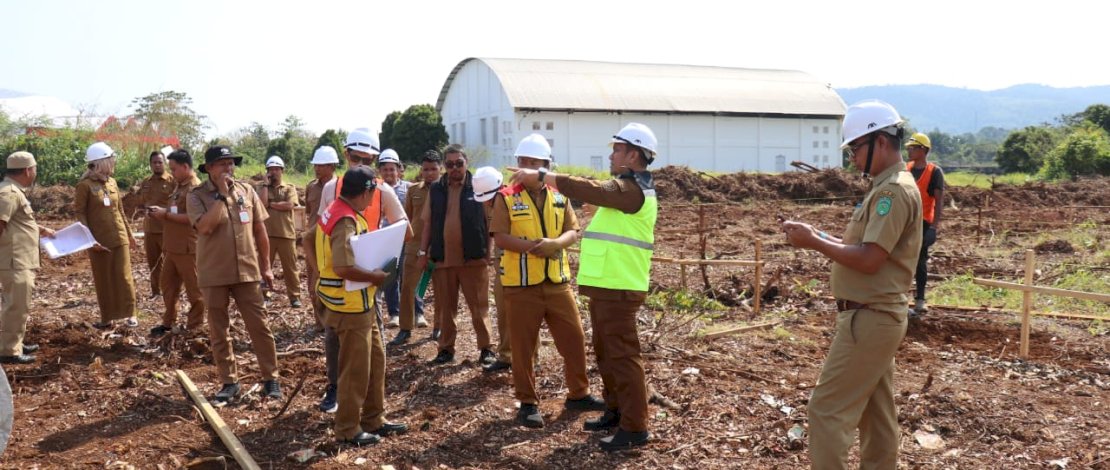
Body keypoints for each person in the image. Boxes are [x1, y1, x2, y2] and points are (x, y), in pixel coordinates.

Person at [780, 100, 922, 469]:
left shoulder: (892, 192)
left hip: (869, 318)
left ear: (881, 141)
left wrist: (813, 242)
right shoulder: (885, 186)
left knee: (826, 411)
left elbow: (870, 260)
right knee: (877, 414)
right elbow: (865, 247)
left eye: (856, 148)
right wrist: (819, 234)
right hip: (874, 317)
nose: (852, 158)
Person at [508, 123, 659, 450]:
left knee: (622, 355)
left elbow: (592, 190)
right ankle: (616, 410)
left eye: (617, 149)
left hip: (620, 286)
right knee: (607, 353)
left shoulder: (633, 189)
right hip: (608, 285)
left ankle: (634, 427)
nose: (611, 154)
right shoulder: (628, 189)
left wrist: (544, 177)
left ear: (633, 154)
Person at [492, 134, 605, 427]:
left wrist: (556, 244)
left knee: (574, 338)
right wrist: (533, 246)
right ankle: (527, 402)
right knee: (523, 346)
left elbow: (573, 230)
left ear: (545, 165)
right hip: (521, 286)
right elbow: (501, 237)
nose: (525, 167)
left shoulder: (559, 195)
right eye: (522, 162)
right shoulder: (505, 196)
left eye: (532, 162)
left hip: (557, 282)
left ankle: (579, 393)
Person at [312, 131, 410, 414]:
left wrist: (380, 245)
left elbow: (405, 229)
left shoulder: (383, 190)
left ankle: (368, 407)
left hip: (367, 280)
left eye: (367, 160)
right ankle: (337, 391)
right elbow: (318, 231)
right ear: (346, 155)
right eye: (356, 158)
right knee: (336, 340)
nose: (360, 165)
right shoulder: (333, 189)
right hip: (341, 279)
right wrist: (318, 271)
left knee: (371, 346)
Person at [187, 145, 282, 404]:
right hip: (214, 273)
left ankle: (270, 379)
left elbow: (260, 231)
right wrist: (220, 196)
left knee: (259, 326)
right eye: (222, 164)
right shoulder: (196, 196)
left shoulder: (247, 191)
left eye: (231, 163)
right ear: (208, 169)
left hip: (247, 271)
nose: (229, 168)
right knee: (219, 330)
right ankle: (230, 382)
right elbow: (205, 227)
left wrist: (266, 267)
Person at [416, 145, 495, 366]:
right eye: (449, 164)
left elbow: (491, 222)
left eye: (458, 163)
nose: (454, 168)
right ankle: (445, 349)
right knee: (445, 308)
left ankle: (486, 349)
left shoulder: (478, 186)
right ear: (445, 167)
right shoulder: (437, 190)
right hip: (442, 259)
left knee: (479, 307)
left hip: (474, 259)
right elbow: (428, 224)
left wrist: (489, 251)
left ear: (466, 163)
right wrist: (423, 253)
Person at [75, 142, 139, 328]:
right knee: (103, 278)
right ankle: (107, 317)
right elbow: (80, 214)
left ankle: (130, 314)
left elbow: (120, 211)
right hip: (98, 241)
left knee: (124, 277)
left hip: (119, 237)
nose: (114, 163)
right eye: (111, 160)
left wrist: (130, 234)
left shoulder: (112, 183)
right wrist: (88, 239)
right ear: (101, 162)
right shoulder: (84, 186)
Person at [0, 151, 55, 364]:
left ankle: (15, 342)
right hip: (14, 260)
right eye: (35, 169)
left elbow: (15, 221)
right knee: (16, 305)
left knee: (20, 304)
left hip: (19, 259)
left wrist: (40, 229)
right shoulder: (9, 193)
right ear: (27, 170)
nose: (35, 173)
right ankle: (8, 351)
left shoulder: (13, 190)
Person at [147, 149, 205, 336]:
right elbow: (175, 211)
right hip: (172, 246)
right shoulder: (179, 186)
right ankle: (168, 322)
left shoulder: (194, 188)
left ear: (186, 167)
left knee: (195, 290)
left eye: (174, 169)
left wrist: (165, 214)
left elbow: (192, 218)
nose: (171, 173)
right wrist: (162, 211)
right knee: (168, 287)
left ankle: (194, 326)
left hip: (187, 248)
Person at [389, 150, 439, 346]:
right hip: (415, 246)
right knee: (408, 287)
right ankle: (405, 328)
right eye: (426, 169)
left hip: (439, 247)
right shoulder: (413, 191)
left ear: (440, 169)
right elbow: (407, 218)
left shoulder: (445, 191)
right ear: (421, 170)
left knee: (440, 290)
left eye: (433, 169)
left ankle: (438, 327)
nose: (429, 173)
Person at [905, 133, 944, 316]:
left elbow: (939, 201)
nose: (909, 151)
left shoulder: (934, 172)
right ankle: (900, 298)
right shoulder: (906, 169)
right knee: (901, 260)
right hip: (904, 222)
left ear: (923, 150)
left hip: (923, 223)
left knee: (920, 261)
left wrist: (934, 228)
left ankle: (920, 299)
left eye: (913, 148)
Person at [303, 146, 340, 330]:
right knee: (313, 283)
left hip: (331, 242)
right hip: (313, 241)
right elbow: (309, 213)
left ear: (332, 166)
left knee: (331, 281)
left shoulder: (340, 187)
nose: (317, 168)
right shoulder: (311, 187)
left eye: (321, 165)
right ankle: (320, 322)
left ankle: (332, 321)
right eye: (316, 165)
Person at [260, 156, 303, 308]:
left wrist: (272, 204)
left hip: (286, 234)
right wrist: (265, 185)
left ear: (282, 171)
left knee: (291, 268)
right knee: (265, 266)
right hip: (267, 235)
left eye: (277, 169)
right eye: (271, 170)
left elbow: (289, 205)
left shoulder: (289, 188)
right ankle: (265, 295)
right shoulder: (263, 188)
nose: (274, 172)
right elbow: (262, 204)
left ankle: (294, 297)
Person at [376, 149, 410, 328]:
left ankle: (413, 312)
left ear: (399, 169)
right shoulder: (375, 189)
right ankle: (394, 313)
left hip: (406, 238)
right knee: (390, 278)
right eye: (385, 169)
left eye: (392, 169)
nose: (389, 173)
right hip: (385, 240)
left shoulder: (408, 188)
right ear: (379, 171)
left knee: (408, 277)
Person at [138, 148, 175, 299]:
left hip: (166, 229)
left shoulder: (172, 181)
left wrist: (163, 212)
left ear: (165, 163)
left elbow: (176, 205)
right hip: (150, 229)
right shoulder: (146, 182)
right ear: (150, 165)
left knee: (169, 263)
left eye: (160, 162)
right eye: (154, 163)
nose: (157, 165)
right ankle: (156, 292)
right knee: (153, 263)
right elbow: (141, 203)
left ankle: (170, 291)